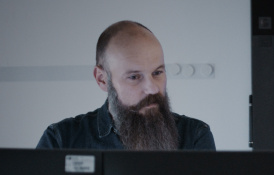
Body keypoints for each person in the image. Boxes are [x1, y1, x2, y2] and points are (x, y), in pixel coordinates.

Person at [37, 20, 215, 150]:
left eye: (157, 73)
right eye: (134, 77)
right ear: (102, 79)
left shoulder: (195, 137)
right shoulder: (61, 141)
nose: (153, 88)